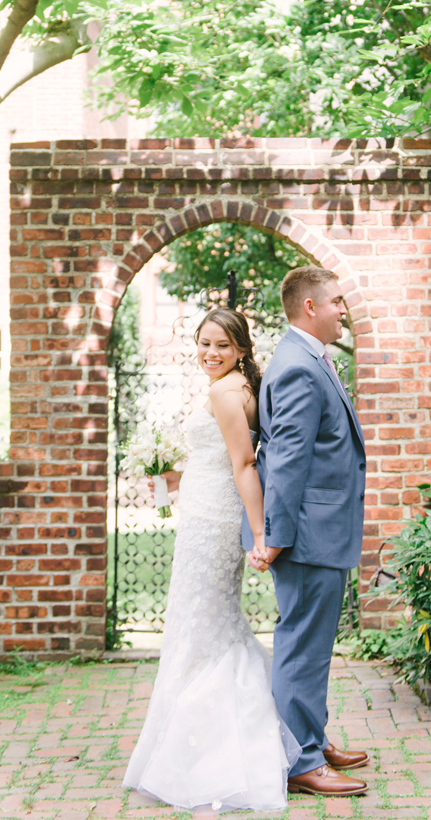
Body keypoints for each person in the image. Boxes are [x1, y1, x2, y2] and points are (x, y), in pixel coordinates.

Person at [123, 307, 298, 813]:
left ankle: (209, 755)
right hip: (202, 508)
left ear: (241, 348)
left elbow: (245, 464)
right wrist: (170, 478)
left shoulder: (225, 392)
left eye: (222, 345)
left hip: (212, 523)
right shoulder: (240, 387)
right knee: (209, 624)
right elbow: (220, 457)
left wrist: (262, 532)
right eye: (204, 343)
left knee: (198, 626)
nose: (210, 353)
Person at [243, 266, 369, 797]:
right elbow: (289, 460)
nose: (344, 310)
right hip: (307, 534)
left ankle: (310, 739)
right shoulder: (298, 365)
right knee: (302, 644)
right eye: (337, 301)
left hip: (320, 529)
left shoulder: (309, 357)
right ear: (310, 307)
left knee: (315, 644)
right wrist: (275, 535)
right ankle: (299, 762)